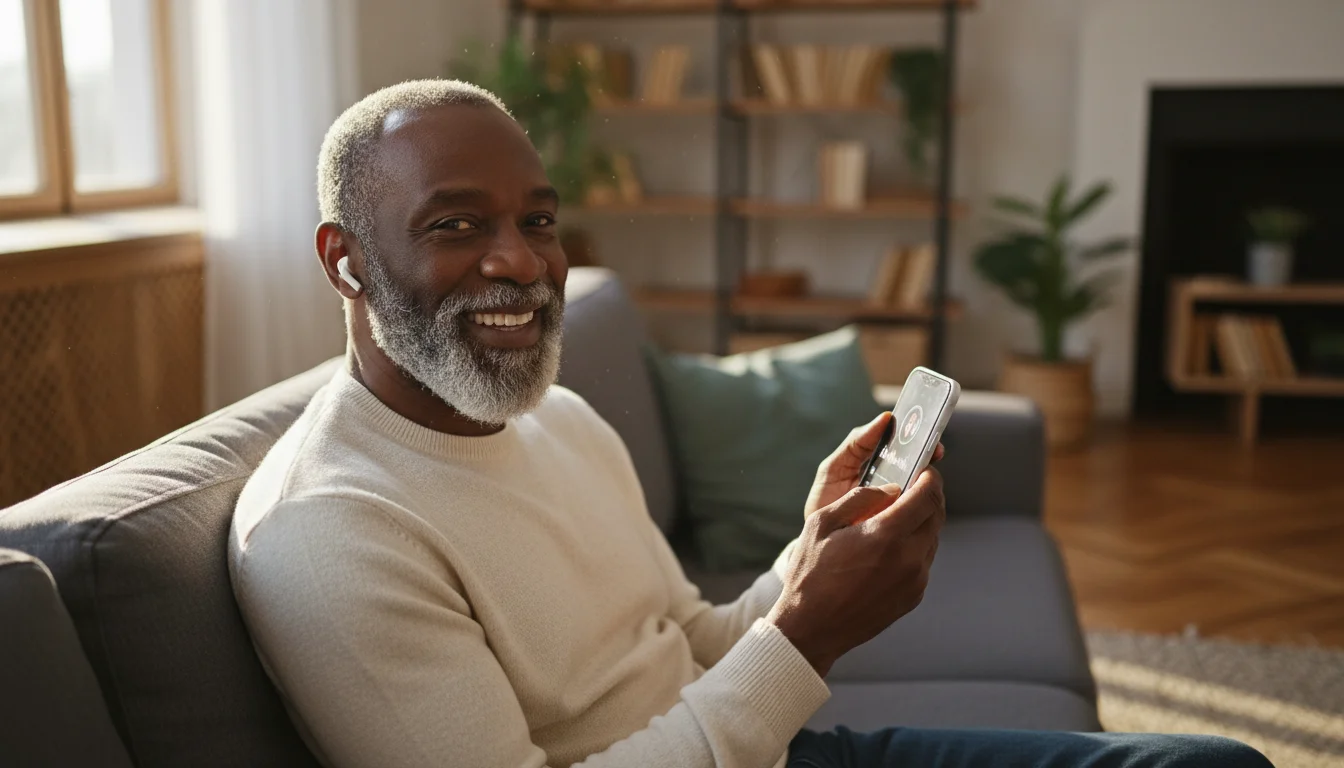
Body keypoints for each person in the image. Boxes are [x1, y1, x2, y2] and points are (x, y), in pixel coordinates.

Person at [228, 79, 1270, 768]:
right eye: (456, 224)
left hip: (777, 751)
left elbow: (688, 643)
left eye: (536, 221)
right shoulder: (331, 529)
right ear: (344, 259)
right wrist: (810, 632)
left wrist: (806, 561)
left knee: (1212, 765)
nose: (520, 262)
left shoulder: (560, 418)